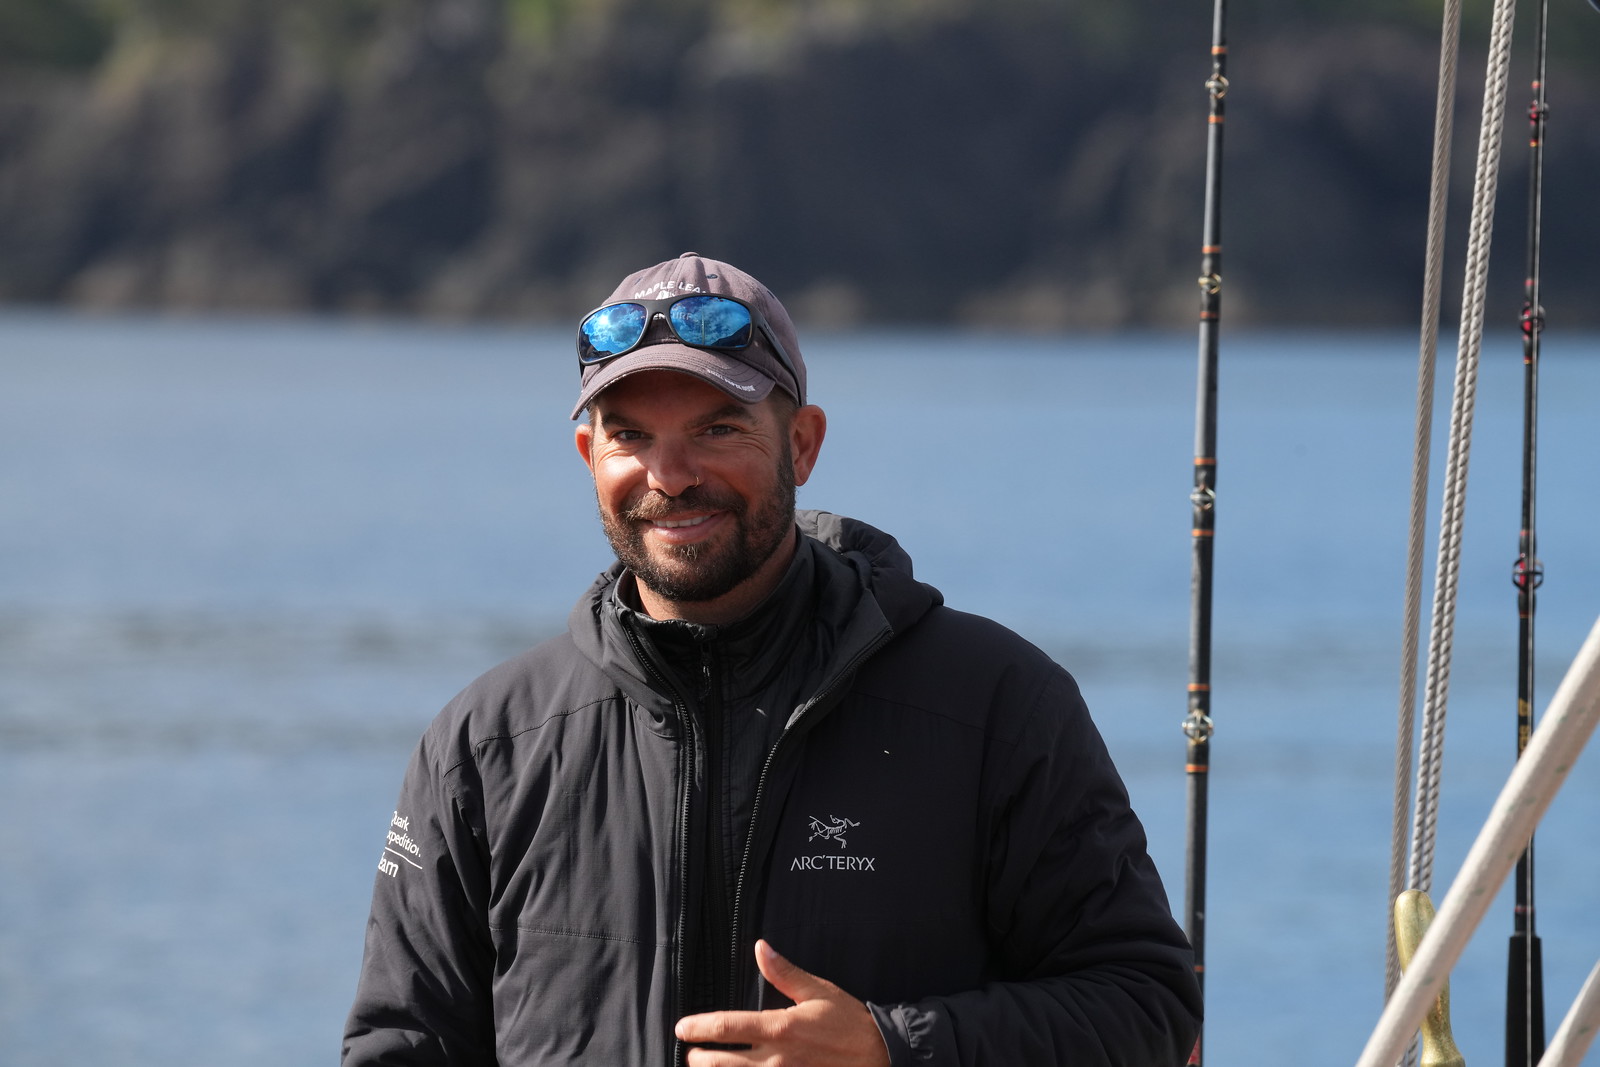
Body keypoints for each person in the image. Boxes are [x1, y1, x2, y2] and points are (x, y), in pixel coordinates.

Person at [343, 252, 1202, 1066]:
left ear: (802, 443)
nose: (670, 475)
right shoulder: (486, 744)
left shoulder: (997, 705)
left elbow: (1148, 1007)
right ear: (588, 456)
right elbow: (400, 1047)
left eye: (718, 428)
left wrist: (894, 1046)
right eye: (630, 434)